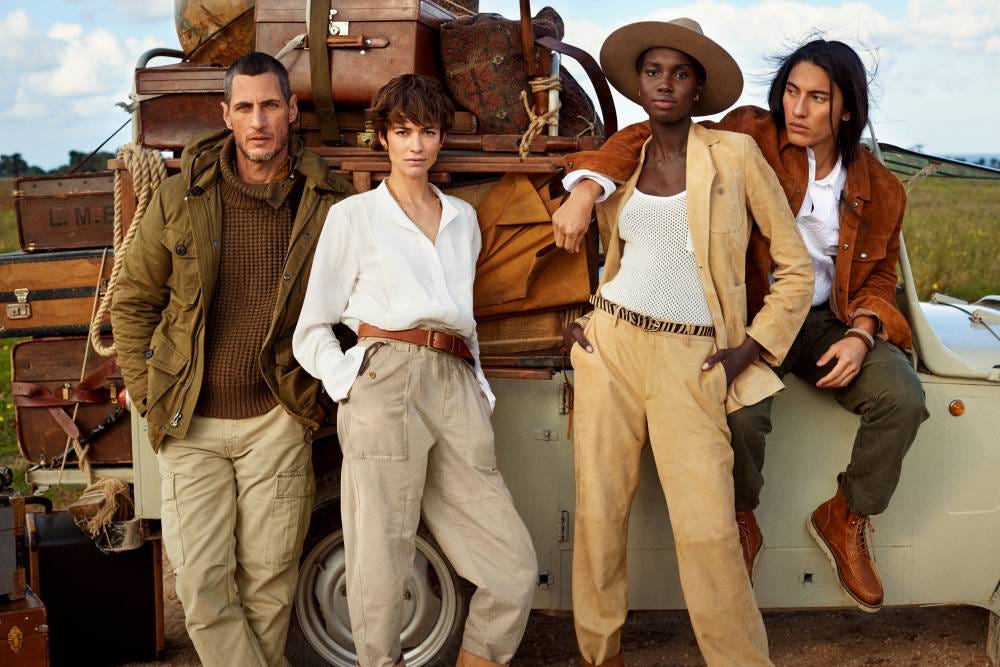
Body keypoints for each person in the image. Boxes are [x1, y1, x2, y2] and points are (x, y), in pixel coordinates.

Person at [557, 38, 929, 612]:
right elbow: (651, 132)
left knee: (902, 395)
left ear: (846, 109)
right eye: (792, 93)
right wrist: (587, 187)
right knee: (739, 415)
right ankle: (740, 516)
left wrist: (861, 332)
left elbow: (878, 277)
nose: (799, 109)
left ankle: (847, 514)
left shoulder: (882, 187)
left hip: (828, 321)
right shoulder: (749, 133)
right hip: (746, 316)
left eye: (818, 98)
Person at [563, 19, 813, 667]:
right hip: (610, 345)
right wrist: (577, 320)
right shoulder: (625, 153)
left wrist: (752, 347)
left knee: (708, 529)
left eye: (679, 73)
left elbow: (795, 266)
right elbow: (575, 225)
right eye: (653, 72)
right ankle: (600, 653)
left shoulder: (734, 156)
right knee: (598, 511)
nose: (665, 84)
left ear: (700, 87)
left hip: (694, 355)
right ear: (640, 82)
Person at [112, 52, 353, 666]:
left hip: (277, 416)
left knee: (269, 586)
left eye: (270, 105)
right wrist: (148, 394)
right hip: (189, 420)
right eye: (244, 108)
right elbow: (134, 302)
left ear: (292, 111)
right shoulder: (178, 197)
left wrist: (321, 396)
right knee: (200, 585)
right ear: (225, 116)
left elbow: (357, 307)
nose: (258, 121)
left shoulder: (329, 202)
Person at [292, 74, 538, 667]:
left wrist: (477, 388)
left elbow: (466, 318)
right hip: (385, 376)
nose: (415, 145)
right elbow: (312, 327)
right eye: (402, 131)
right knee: (380, 556)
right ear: (382, 138)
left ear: (440, 137)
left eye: (427, 131)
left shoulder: (462, 219)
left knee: (514, 568)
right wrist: (350, 378)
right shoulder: (355, 216)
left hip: (455, 381)